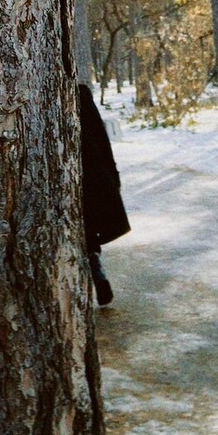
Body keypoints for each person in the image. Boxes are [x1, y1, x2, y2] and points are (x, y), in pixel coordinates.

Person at [78, 83, 131, 306]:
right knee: (86, 222)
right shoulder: (79, 94)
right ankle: (95, 266)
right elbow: (102, 140)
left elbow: (100, 139)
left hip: (86, 173)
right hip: (89, 173)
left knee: (85, 222)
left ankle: (95, 265)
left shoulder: (77, 95)